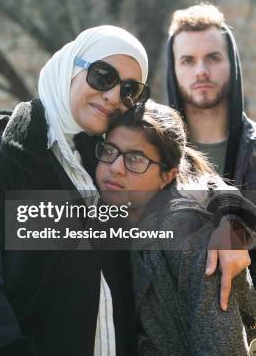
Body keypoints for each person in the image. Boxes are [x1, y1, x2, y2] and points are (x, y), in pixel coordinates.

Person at [0, 25, 251, 356]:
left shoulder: (99, 158)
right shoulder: (5, 148)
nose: (114, 95)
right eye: (102, 76)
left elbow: (182, 173)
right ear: (69, 69)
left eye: (130, 89)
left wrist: (229, 215)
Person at [95, 100, 256, 354]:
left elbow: (222, 345)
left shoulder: (188, 234)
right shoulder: (113, 214)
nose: (114, 167)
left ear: (168, 176)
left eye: (135, 159)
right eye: (109, 150)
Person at [165, 3, 256, 278]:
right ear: (174, 69)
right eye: (188, 60)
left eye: (213, 58)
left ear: (232, 64)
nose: (201, 71)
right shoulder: (154, 157)